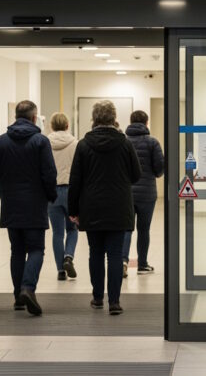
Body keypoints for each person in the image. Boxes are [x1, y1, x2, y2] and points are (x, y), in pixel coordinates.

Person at [68, 100, 140, 315]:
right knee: (115, 254)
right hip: (119, 206)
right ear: (113, 118)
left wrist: (73, 210)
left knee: (96, 253)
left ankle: (98, 298)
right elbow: (136, 175)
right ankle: (115, 302)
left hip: (92, 207)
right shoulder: (125, 144)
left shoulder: (83, 145)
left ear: (94, 118)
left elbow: (75, 181)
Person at [0, 100, 57, 316]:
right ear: (34, 118)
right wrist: (50, 196)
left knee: (17, 250)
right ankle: (28, 288)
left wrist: (4, 194)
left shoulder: (0, 142)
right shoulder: (41, 142)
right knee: (36, 249)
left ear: (16, 116)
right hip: (35, 205)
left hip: (11, 205)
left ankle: (18, 296)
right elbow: (49, 174)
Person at [123, 110, 164, 277]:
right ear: (146, 123)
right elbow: (159, 169)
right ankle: (142, 264)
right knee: (144, 230)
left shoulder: (123, 142)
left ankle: (123, 261)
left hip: (126, 193)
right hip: (147, 194)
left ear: (131, 122)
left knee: (126, 228)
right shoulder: (152, 142)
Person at [47, 113, 79, 281]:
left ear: (51, 126)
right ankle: (68, 257)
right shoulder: (75, 143)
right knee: (72, 228)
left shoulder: (45, 143)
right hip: (71, 192)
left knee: (57, 233)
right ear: (67, 125)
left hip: (52, 193)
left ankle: (60, 270)